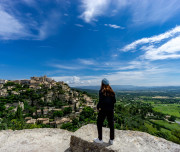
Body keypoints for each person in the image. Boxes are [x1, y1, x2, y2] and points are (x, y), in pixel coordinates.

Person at [94, 78, 116, 145]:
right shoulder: (112, 92)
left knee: (99, 123)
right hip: (110, 110)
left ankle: (100, 139)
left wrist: (98, 107)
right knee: (111, 124)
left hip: (103, 110)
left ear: (102, 84)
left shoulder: (101, 91)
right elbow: (114, 101)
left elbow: (100, 101)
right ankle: (111, 140)